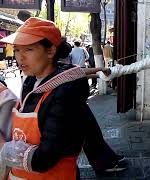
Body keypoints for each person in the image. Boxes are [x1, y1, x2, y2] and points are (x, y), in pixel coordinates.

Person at [0, 17, 91, 179]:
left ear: (50, 51)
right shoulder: (30, 82)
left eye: (28, 50)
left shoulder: (65, 94)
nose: (20, 57)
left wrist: (5, 150)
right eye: (17, 50)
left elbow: (45, 159)